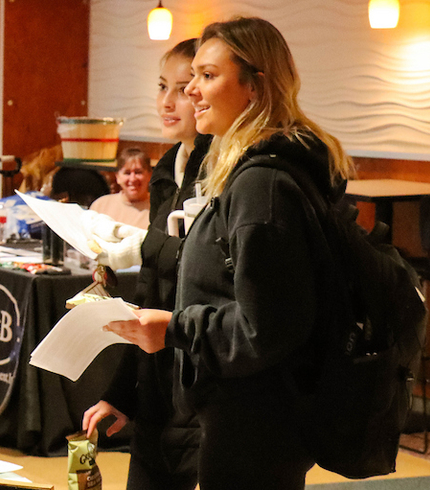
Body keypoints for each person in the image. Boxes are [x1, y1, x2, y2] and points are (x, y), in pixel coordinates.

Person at [104, 17, 354, 489]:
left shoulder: (264, 186)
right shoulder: (242, 173)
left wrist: (174, 327)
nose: (192, 91)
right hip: (233, 412)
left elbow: (267, 327)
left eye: (207, 76)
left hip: (254, 420)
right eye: (190, 76)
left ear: (255, 86)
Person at [83, 39, 210, 490]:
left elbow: (203, 271)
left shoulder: (226, 169)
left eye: (189, 84)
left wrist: (142, 247)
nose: (170, 101)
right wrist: (120, 394)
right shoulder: (169, 166)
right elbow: (150, 293)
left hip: (205, 381)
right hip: (158, 384)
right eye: (163, 86)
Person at [89, 148, 153, 229]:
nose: (132, 179)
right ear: (118, 177)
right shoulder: (100, 206)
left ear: (149, 175)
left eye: (138, 172)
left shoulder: (159, 209)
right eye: (127, 173)